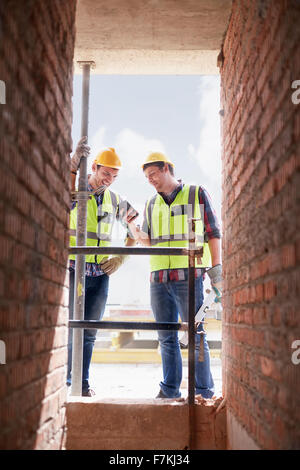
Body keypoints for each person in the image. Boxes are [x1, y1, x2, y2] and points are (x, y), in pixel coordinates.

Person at [126, 152, 221, 399]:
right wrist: (132, 226)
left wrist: (217, 270)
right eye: (147, 177)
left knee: (196, 334)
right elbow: (147, 242)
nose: (151, 180)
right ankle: (169, 389)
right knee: (166, 337)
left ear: (167, 168)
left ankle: (204, 392)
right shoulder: (151, 203)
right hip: (158, 277)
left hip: (189, 275)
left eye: (154, 174)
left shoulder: (196, 193)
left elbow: (213, 232)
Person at [68, 137, 137, 396]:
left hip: (100, 275)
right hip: (74, 269)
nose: (108, 179)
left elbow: (135, 231)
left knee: (89, 333)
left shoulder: (116, 199)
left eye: (114, 176)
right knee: (71, 327)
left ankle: (82, 384)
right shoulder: (77, 190)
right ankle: (66, 382)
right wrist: (73, 164)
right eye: (106, 173)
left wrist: (121, 257)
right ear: (94, 167)